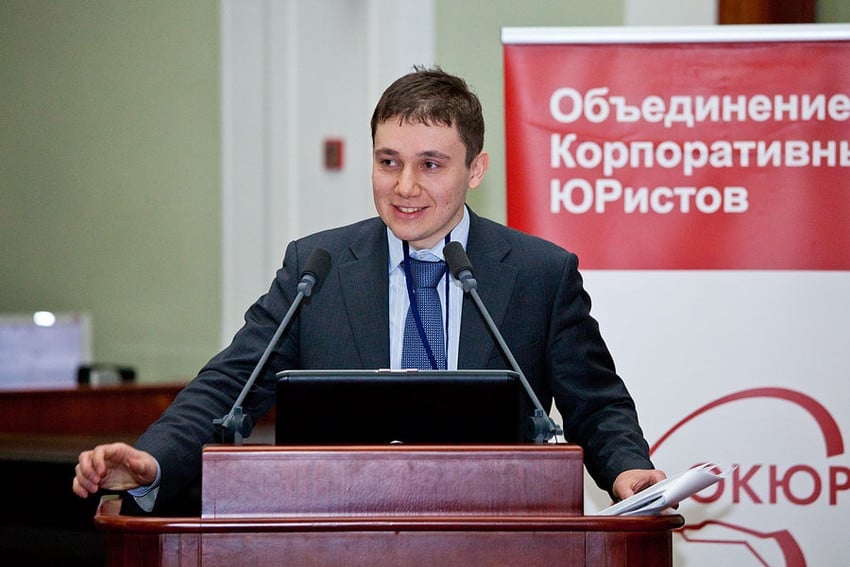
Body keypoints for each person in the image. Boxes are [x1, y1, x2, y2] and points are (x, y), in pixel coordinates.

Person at [73, 66, 665, 514]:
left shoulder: (539, 273)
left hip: (492, 530)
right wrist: (152, 459)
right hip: (343, 529)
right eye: (388, 162)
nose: (404, 186)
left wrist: (627, 471)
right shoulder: (318, 267)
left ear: (475, 170)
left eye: (430, 164)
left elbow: (596, 403)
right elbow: (231, 385)